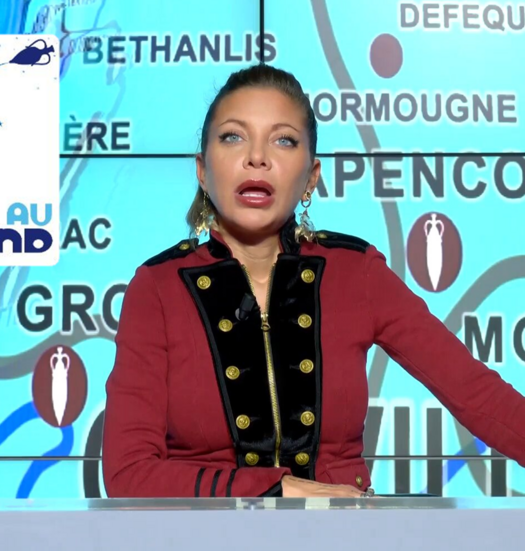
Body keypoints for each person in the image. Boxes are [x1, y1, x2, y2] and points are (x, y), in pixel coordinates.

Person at [102, 64, 525, 499]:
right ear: (202, 171)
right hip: (204, 534)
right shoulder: (158, 288)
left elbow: (479, 397)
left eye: (283, 140)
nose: (257, 157)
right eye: (233, 137)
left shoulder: (355, 271)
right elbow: (127, 475)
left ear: (311, 177)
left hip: (344, 532)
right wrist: (278, 490)